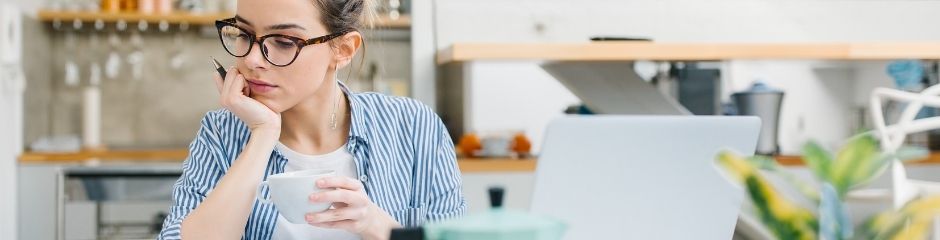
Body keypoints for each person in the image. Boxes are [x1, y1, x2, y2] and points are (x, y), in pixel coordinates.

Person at [158, 0, 466, 239]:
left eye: (284, 41)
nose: (251, 59)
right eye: (243, 34)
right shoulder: (222, 133)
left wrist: (374, 224)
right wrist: (262, 135)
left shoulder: (415, 128)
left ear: (343, 50)